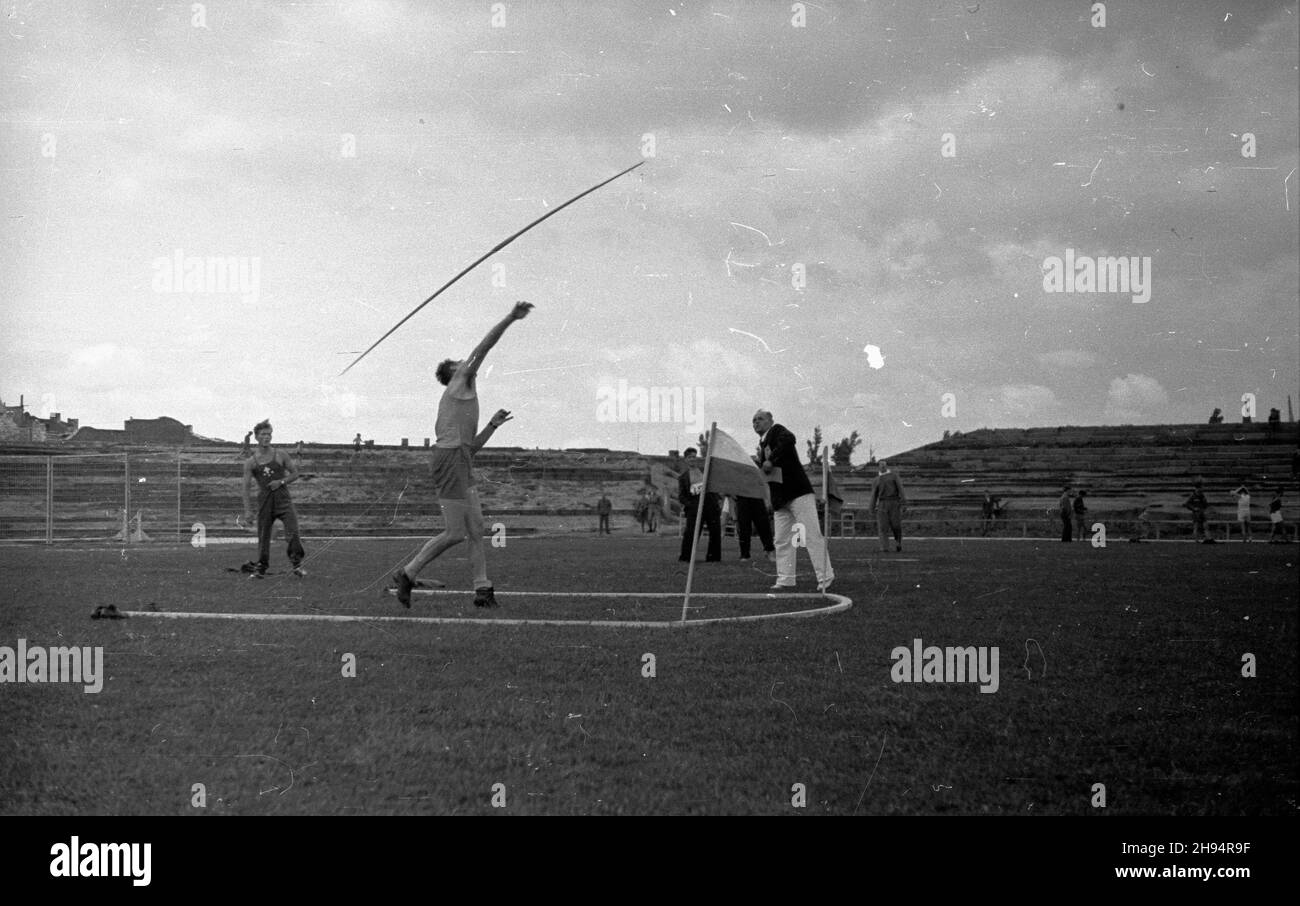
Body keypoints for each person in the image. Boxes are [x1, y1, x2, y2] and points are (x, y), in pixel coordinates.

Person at [389, 301, 533, 608]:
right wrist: (510, 317)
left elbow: (472, 449)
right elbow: (483, 347)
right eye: (459, 363)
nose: (466, 364)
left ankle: (482, 589)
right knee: (455, 532)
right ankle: (408, 572)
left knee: (476, 528)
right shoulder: (458, 383)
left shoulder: (465, 396)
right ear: (452, 373)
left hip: (461, 458)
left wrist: (493, 425)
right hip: (448, 459)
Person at [753, 410, 833, 591]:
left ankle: (825, 575)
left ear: (770, 421)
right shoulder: (763, 442)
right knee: (781, 539)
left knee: (811, 534)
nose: (756, 423)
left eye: (760, 419)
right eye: (754, 421)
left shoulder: (778, 431)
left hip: (798, 493)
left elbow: (789, 439)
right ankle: (785, 578)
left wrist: (770, 460)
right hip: (781, 498)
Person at [241, 420, 306, 578]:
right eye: (263, 434)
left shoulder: (280, 454)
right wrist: (248, 511)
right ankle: (261, 568)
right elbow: (245, 487)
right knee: (263, 536)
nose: (267, 437)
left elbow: (295, 474)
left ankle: (296, 564)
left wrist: (281, 481)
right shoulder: (251, 462)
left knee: (293, 532)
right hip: (265, 501)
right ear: (256, 437)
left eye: (269, 434)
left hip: (283, 499)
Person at [678, 447, 721, 562]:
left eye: (694, 457)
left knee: (715, 531)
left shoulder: (704, 470)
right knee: (691, 532)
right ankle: (686, 557)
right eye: (690, 457)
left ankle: (714, 557)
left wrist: (717, 500)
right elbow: (681, 496)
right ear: (686, 459)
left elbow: (713, 486)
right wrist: (690, 504)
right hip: (695, 506)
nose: (692, 459)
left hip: (710, 503)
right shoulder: (683, 477)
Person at [870, 461, 907, 552]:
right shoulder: (876, 480)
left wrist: (904, 503)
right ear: (878, 467)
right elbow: (874, 495)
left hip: (894, 503)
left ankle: (898, 542)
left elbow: (900, 489)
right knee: (883, 526)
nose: (882, 467)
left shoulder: (894, 476)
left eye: (884, 465)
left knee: (896, 525)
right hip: (882, 504)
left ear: (886, 466)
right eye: (881, 465)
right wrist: (872, 507)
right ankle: (884, 547)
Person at [734, 493, 775, 561]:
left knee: (763, 525)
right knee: (744, 526)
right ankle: (744, 554)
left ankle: (769, 550)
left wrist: (767, 499)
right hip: (742, 496)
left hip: (757, 495)